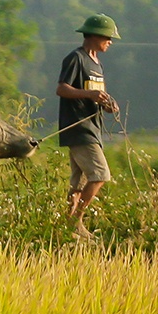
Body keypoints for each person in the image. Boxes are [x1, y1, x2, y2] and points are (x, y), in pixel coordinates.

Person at [57, 13, 121, 239]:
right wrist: (89, 94)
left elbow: (95, 96)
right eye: (107, 37)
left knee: (79, 182)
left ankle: (67, 229)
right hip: (79, 129)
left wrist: (107, 104)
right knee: (100, 174)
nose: (110, 42)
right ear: (94, 35)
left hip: (93, 128)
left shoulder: (97, 64)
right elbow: (62, 89)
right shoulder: (76, 58)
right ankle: (76, 222)